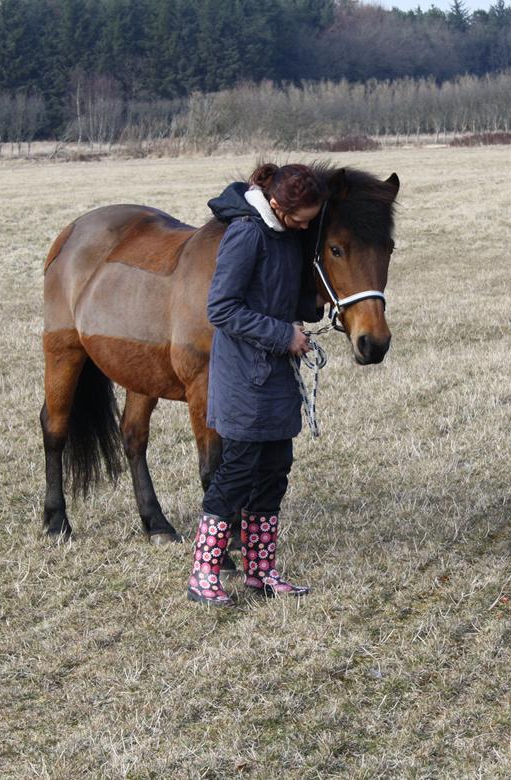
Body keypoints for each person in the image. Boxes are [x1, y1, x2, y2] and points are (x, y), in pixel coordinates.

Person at [188, 163, 325, 606]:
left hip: (277, 379)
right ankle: (203, 574)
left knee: (273, 475)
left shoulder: (288, 236)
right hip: (244, 380)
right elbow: (222, 309)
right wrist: (284, 335)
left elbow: (285, 296)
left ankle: (260, 573)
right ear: (276, 206)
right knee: (235, 476)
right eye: (302, 218)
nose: (307, 225)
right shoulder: (247, 235)